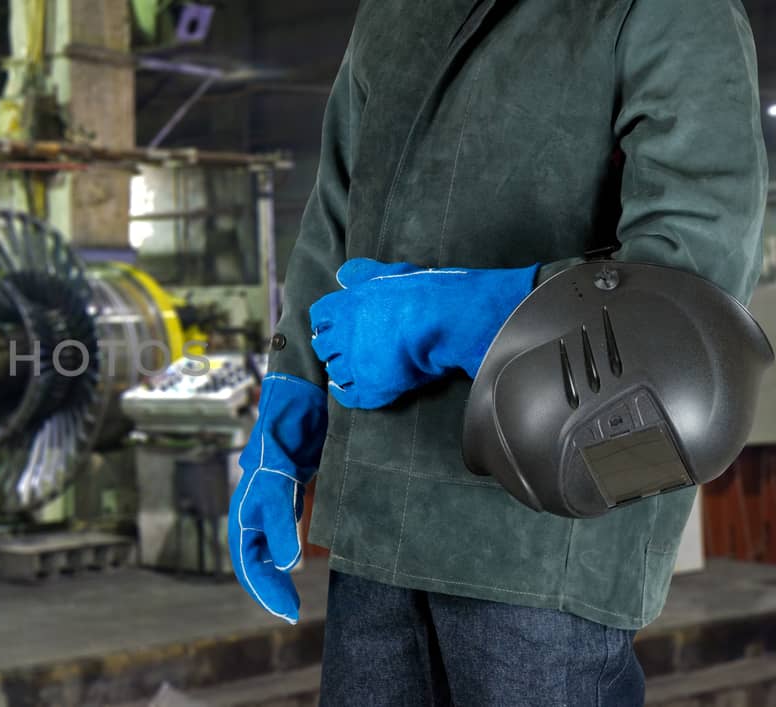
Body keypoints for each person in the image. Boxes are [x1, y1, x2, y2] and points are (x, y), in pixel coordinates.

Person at [226, 1, 767, 704]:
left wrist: (455, 316)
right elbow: (333, 219)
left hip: (543, 540)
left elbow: (692, 294)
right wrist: (283, 428)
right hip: (378, 520)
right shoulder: (393, 15)